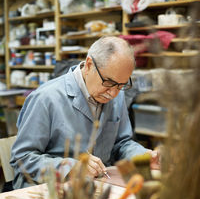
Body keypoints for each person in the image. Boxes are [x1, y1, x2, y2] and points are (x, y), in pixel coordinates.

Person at [10, 36, 159, 189]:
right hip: (45, 190)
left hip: (94, 185)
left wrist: (141, 156)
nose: (113, 93)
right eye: (109, 83)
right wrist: (70, 168)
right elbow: (22, 158)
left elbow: (121, 143)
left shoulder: (116, 95)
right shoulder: (46, 98)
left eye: (121, 85)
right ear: (89, 65)